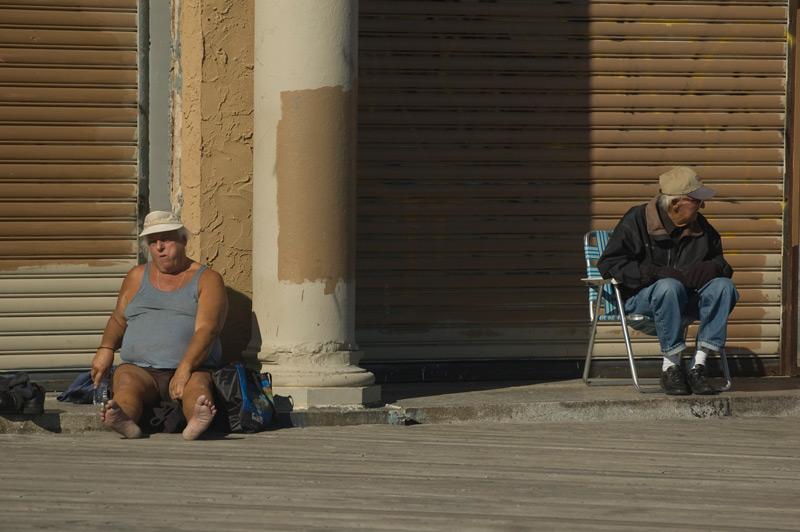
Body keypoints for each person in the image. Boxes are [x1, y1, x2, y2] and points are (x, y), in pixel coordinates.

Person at [597, 166, 739, 395]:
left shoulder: (701, 226)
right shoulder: (637, 220)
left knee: (724, 286)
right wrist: (651, 273)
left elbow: (722, 264)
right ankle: (671, 367)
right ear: (676, 203)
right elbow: (609, 264)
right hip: (640, 299)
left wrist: (714, 267)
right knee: (668, 286)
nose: (703, 205)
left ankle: (698, 366)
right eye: (697, 200)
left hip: (686, 299)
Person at [90, 211, 228, 439]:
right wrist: (105, 348)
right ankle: (124, 419)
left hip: (191, 367)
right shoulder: (136, 276)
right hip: (141, 370)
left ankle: (197, 418)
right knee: (125, 383)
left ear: (184, 239)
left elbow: (208, 329)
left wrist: (184, 368)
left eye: (166, 239)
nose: (160, 247)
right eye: (153, 242)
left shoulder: (207, 279)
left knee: (197, 387)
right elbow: (118, 318)